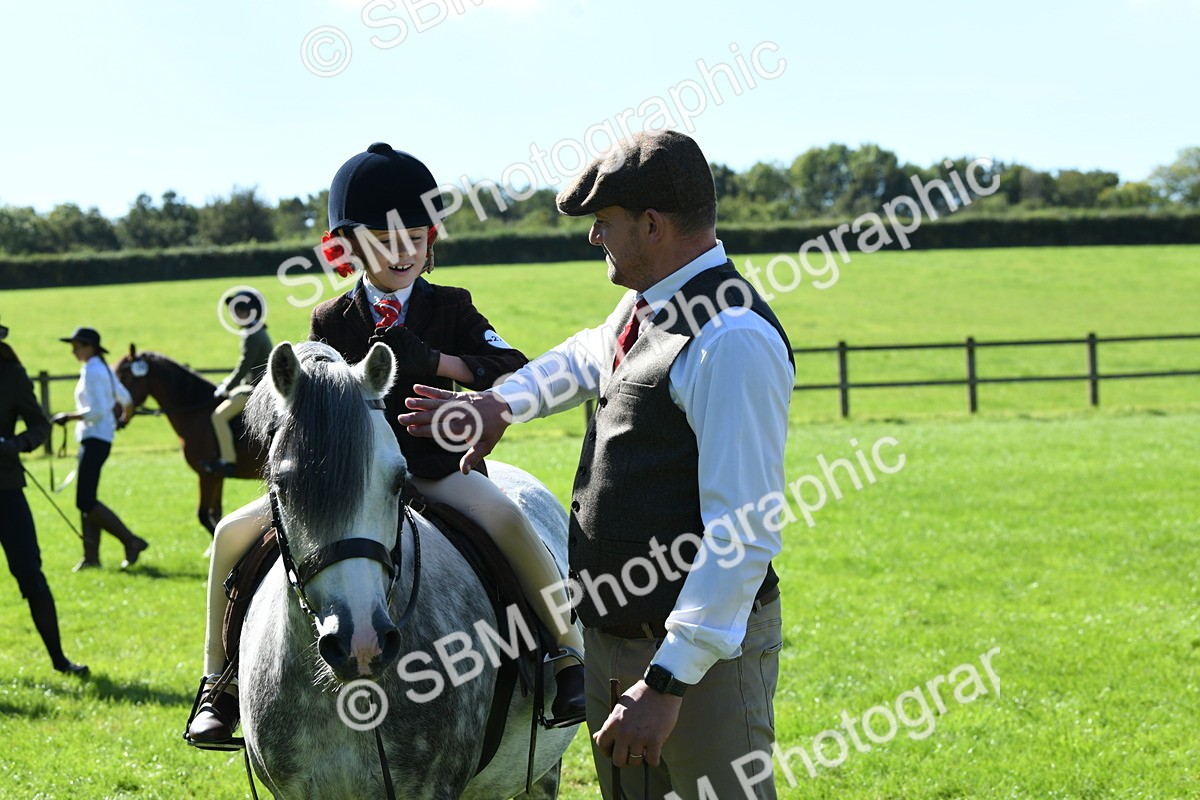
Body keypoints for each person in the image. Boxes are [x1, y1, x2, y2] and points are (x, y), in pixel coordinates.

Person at [399, 130, 795, 799]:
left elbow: (743, 533)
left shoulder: (733, 339)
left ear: (652, 224)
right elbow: (591, 354)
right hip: (615, 645)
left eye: (603, 223)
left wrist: (666, 684)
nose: (594, 238)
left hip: (696, 667)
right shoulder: (650, 305)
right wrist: (498, 404)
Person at [185, 142, 588, 744]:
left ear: (431, 241)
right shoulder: (331, 322)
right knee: (230, 535)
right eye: (382, 236)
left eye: (414, 235)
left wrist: (436, 360)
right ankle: (219, 684)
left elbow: (508, 365)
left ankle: (565, 655)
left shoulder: (451, 306)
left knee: (506, 516)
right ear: (350, 248)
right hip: (354, 483)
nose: (401, 249)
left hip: (432, 468)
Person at [0, 321, 89, 676]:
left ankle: (59, 660)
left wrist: (16, 444)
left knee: (30, 573)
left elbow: (38, 425)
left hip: (6, 488)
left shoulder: (11, 374)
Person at [52, 327, 148, 572]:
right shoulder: (102, 368)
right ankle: (91, 557)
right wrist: (123, 420)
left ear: (90, 347)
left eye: (78, 345)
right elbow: (126, 399)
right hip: (99, 438)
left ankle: (131, 541)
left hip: (94, 437)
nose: (74, 350)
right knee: (87, 499)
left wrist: (68, 416)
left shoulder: (93, 371)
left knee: (84, 500)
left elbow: (95, 411)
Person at [201, 292, 272, 477]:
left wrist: (227, 387)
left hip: (256, 390)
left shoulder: (253, 335)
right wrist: (228, 383)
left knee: (218, 416)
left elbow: (243, 368)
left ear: (250, 312)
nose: (235, 316)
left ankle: (228, 461)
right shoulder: (256, 331)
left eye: (238, 311)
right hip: (255, 385)